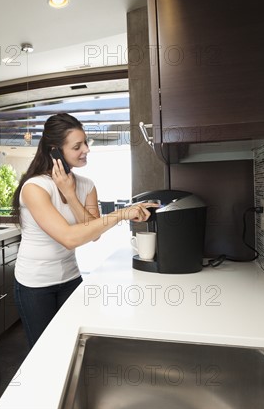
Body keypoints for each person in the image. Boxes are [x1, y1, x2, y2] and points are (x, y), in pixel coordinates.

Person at [12, 113, 156, 348]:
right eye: (77, 146)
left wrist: (70, 193)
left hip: (70, 278)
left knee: (72, 345)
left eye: (86, 143)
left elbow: (94, 233)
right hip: (34, 285)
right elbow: (69, 239)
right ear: (55, 151)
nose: (86, 150)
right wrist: (123, 213)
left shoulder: (86, 185)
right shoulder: (34, 188)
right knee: (44, 351)